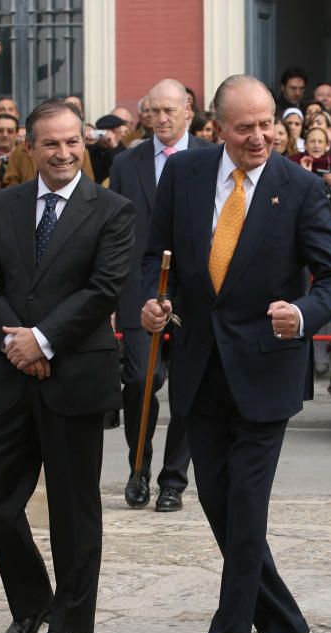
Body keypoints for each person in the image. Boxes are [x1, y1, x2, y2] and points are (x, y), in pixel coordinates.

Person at [141, 74, 331, 633]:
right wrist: (153, 305)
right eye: (245, 127)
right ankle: (287, 625)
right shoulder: (182, 177)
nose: (260, 137)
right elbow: (156, 259)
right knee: (217, 505)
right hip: (201, 371)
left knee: (247, 515)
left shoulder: (301, 187)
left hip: (266, 372)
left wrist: (305, 314)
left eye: (268, 125)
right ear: (216, 128)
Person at [0, 100, 135, 633]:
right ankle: (32, 603)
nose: (63, 153)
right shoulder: (2, 204)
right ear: (29, 146)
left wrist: (41, 340)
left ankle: (73, 622)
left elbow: (104, 288)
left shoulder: (112, 209)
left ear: (84, 143)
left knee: (73, 508)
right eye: (51, 143)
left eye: (72, 142)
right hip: (9, 377)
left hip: (75, 376)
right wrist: (14, 343)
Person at [109, 78, 209, 512]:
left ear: (188, 109)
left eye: (170, 111)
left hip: (194, 292)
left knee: (188, 386)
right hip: (138, 289)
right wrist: (114, 296)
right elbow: (115, 233)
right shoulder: (127, 163)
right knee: (138, 382)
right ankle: (138, 470)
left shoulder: (211, 157)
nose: (162, 119)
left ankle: (174, 480)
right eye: (154, 112)